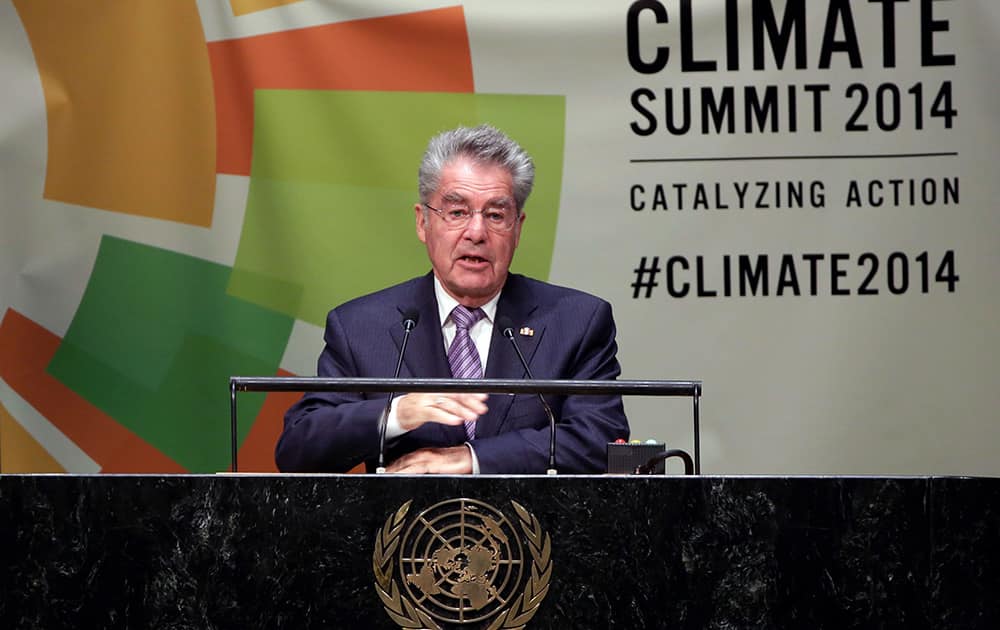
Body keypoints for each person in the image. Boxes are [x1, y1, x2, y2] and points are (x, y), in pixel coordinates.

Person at [275, 124, 628, 474]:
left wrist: (472, 458)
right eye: (457, 212)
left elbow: (602, 442)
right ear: (422, 222)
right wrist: (397, 414)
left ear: (517, 229)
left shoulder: (576, 322)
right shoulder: (361, 328)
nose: (476, 233)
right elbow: (298, 449)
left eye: (495, 215)